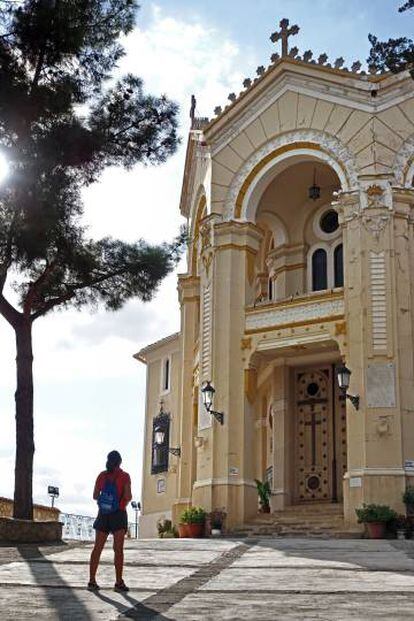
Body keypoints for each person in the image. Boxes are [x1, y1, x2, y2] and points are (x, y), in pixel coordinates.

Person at [88, 450, 132, 592]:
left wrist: (105, 499)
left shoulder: (102, 476)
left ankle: (92, 580)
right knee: (118, 550)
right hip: (118, 514)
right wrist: (121, 501)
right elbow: (128, 496)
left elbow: (95, 496)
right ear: (120, 462)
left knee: (97, 548)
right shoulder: (124, 476)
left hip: (103, 514)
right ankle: (119, 582)